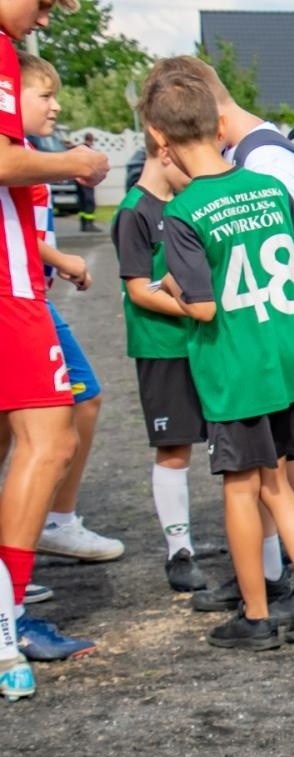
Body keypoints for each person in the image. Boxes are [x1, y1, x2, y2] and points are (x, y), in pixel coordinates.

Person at [143, 70, 294, 651]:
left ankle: (255, 614)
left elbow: (204, 307)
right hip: (289, 358)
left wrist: (169, 287)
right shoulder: (268, 186)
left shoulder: (185, 211)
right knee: (278, 482)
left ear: (160, 140)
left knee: (240, 487)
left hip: (236, 368)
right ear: (217, 123)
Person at [0, 0, 109, 684]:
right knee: (53, 440)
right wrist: (74, 161)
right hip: (8, 290)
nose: (44, 19)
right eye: (44, 2)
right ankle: (7, 616)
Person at [13, 53, 125, 570]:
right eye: (45, 96)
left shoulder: (27, 153)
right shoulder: (18, 157)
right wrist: (63, 259)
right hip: (20, 301)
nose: (55, 106)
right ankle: (43, 529)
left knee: (78, 403)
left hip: (31, 296)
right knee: (68, 413)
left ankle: (47, 524)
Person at [111, 130, 210, 593]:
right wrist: (200, 311)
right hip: (163, 347)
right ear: (165, 152)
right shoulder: (135, 211)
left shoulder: (185, 205)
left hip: (202, 341)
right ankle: (179, 550)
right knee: (174, 447)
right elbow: (138, 290)